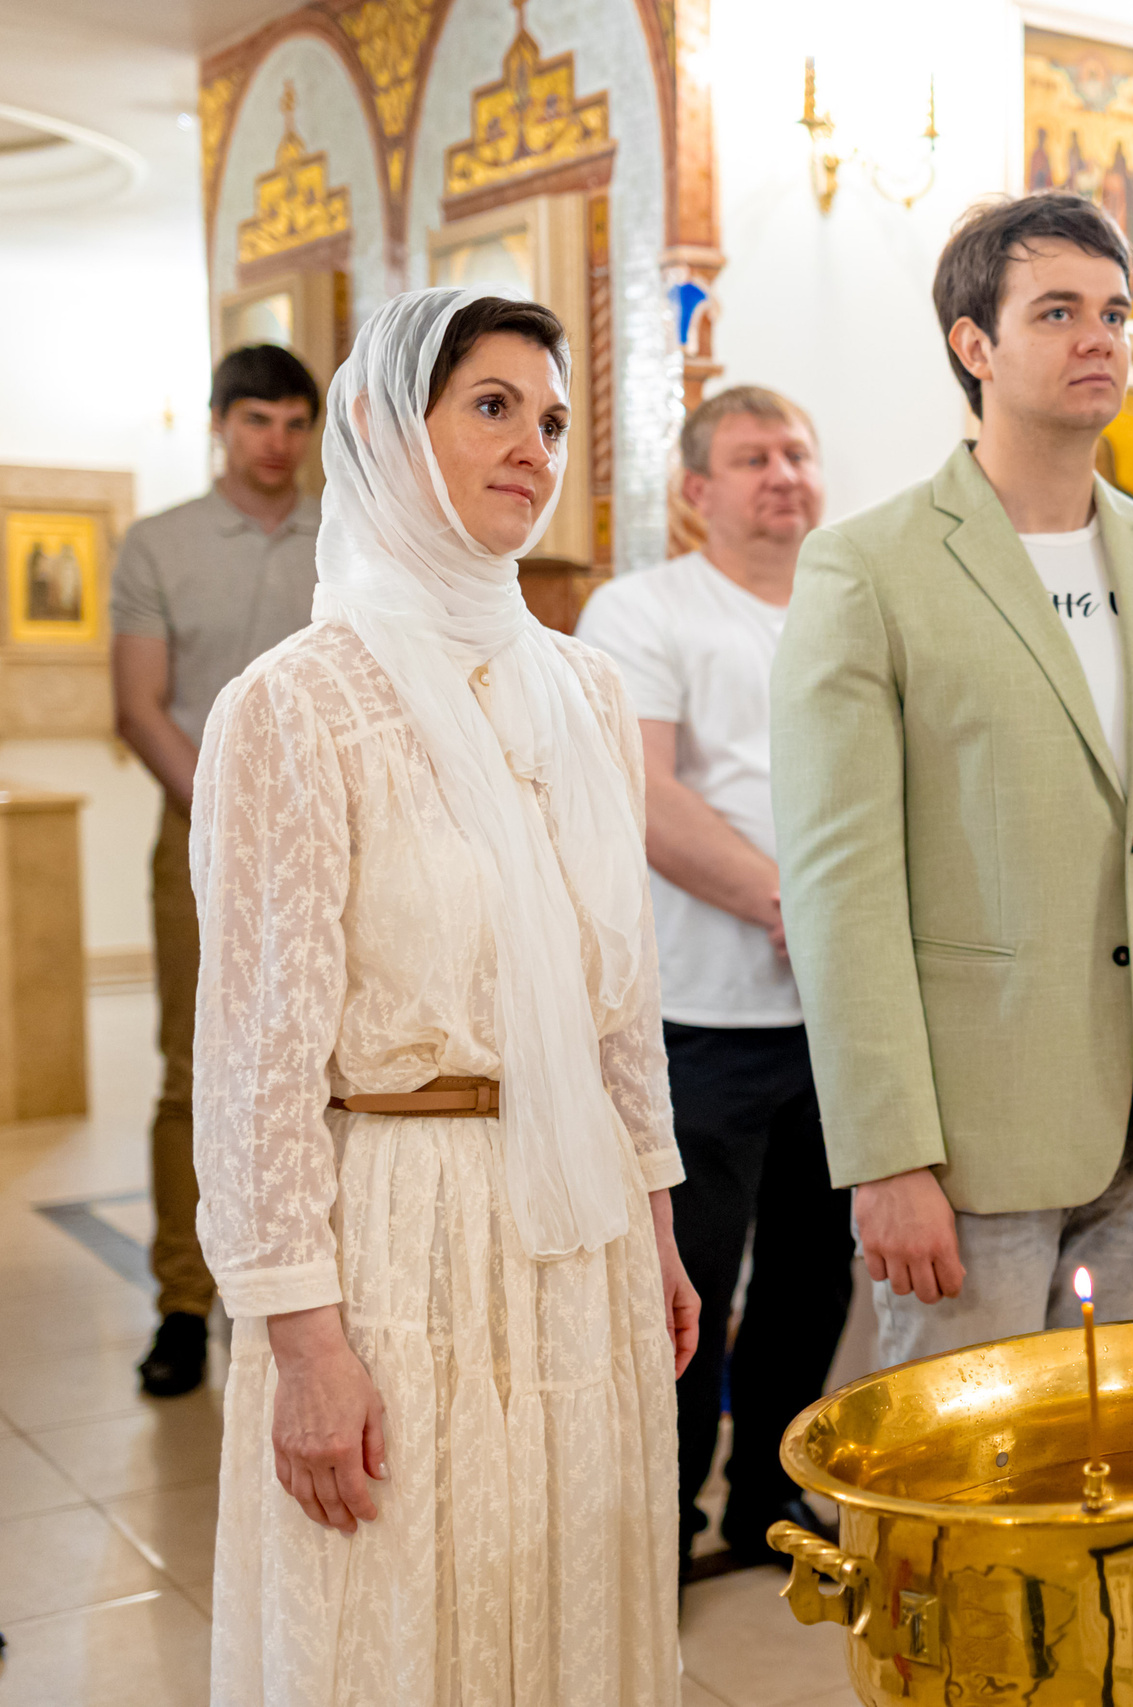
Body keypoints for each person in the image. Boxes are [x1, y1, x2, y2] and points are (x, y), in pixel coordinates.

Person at [193, 288, 698, 1704]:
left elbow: (622, 1007)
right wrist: (302, 1343)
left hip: (585, 1229)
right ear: (381, 426)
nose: (535, 446)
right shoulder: (295, 705)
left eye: (553, 419)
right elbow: (256, 1062)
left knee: (568, 1597)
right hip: (400, 1237)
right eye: (491, 406)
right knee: (406, 1616)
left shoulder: (587, 693)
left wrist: (661, 1227)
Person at [772, 192, 1133, 1365]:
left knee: (1112, 1457)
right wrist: (886, 1155)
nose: (1098, 337)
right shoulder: (867, 568)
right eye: (1057, 312)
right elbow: (840, 889)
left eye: (1114, 312)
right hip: (972, 1136)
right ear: (975, 344)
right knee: (969, 1468)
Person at [576, 384, 848, 1578]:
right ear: (696, 490)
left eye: (797, 452)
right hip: (697, 1016)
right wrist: (794, 905)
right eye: (751, 458)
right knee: (684, 1283)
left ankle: (770, 1501)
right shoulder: (641, 610)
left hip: (839, 1018)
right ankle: (665, 1518)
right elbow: (641, 794)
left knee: (810, 1278)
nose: (782, 473)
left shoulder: (850, 605)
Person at [109, 342, 323, 1398]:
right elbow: (139, 707)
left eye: (293, 423)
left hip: (332, 834)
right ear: (218, 424)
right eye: (255, 421)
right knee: (196, 1067)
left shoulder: (347, 534)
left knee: (323, 1060)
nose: (275, 443)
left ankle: (307, 1291)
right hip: (198, 829)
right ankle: (183, 1306)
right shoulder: (160, 543)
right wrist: (228, 821)